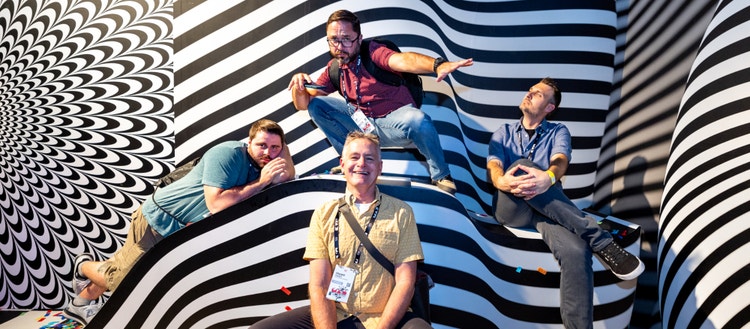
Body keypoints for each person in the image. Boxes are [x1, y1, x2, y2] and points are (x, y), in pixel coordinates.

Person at [64, 119, 296, 325]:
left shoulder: (264, 164)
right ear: (249, 142)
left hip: (179, 230)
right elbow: (216, 204)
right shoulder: (228, 154)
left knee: (124, 266)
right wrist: (262, 182)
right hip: (157, 218)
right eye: (262, 145)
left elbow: (289, 176)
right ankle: (83, 266)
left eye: (275, 147)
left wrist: (281, 154)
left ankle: (81, 302)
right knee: (126, 279)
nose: (268, 152)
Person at [486, 78, 644, 328]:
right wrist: (500, 182)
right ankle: (602, 242)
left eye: (537, 94)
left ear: (549, 107)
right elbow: (494, 165)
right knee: (522, 167)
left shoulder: (558, 131)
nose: (529, 94)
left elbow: (560, 160)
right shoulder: (503, 132)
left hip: (547, 210)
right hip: (512, 207)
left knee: (577, 251)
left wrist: (548, 177)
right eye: (530, 91)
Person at [252, 131, 430, 329]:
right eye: (354, 157)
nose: (361, 163)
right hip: (337, 314)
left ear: (379, 167)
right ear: (343, 164)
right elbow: (320, 284)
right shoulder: (323, 214)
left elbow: (405, 282)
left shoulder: (401, 212)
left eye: (369, 158)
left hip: (386, 316)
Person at [288, 9, 473, 194]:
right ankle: (348, 162)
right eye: (333, 40)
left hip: (393, 122)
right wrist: (299, 86)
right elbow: (303, 104)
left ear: (359, 39)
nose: (339, 46)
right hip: (362, 125)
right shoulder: (334, 68)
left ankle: (441, 175)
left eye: (346, 39)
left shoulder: (373, 51)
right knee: (317, 105)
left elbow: (403, 60)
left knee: (419, 120)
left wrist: (437, 64)